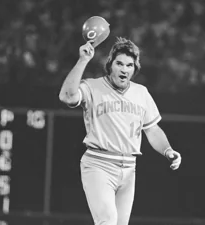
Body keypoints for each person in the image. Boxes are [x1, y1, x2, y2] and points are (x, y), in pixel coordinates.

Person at [58, 37, 182, 225]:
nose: (124, 69)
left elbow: (152, 129)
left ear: (134, 69)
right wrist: (83, 60)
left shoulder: (141, 93)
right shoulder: (92, 86)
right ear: (110, 65)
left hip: (129, 169)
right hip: (98, 164)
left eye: (129, 65)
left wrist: (168, 150)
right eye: (119, 64)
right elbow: (67, 96)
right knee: (107, 221)